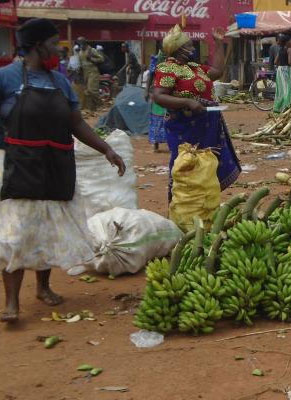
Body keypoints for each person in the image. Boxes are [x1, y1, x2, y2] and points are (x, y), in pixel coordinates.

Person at [0, 19, 126, 323]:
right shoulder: (7, 78)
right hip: (22, 165)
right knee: (15, 234)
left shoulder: (60, 82)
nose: (59, 49)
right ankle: (11, 303)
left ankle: (43, 288)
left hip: (57, 164)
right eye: (54, 43)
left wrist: (106, 148)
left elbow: (76, 123)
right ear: (35, 46)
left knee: (49, 230)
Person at [152, 25, 240, 201]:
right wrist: (187, 102)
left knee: (207, 167)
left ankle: (205, 205)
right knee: (185, 165)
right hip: (185, 129)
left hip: (206, 128)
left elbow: (218, 72)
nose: (193, 49)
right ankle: (181, 207)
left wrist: (218, 43)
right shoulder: (168, 69)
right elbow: (159, 96)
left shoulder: (195, 68)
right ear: (179, 49)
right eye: (190, 46)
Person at [146, 52, 167, 152]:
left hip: (169, 93)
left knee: (169, 118)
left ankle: (171, 144)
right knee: (156, 117)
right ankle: (156, 144)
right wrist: (146, 91)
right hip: (157, 92)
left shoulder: (175, 61)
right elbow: (150, 76)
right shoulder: (156, 60)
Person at [273, 34, 291, 113]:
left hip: (280, 70)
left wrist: (281, 65)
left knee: (281, 89)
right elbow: (290, 62)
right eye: (290, 40)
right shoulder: (289, 49)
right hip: (287, 70)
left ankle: (280, 107)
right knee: (289, 88)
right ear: (287, 42)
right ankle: (289, 106)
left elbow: (275, 62)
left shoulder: (280, 49)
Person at [76, 37, 103, 111]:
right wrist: (79, 70)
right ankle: (92, 108)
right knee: (87, 91)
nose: (80, 45)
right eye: (79, 43)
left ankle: (100, 104)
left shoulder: (92, 50)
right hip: (85, 73)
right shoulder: (80, 52)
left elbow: (101, 59)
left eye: (81, 43)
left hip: (93, 72)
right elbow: (80, 63)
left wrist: (91, 59)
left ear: (85, 42)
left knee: (92, 90)